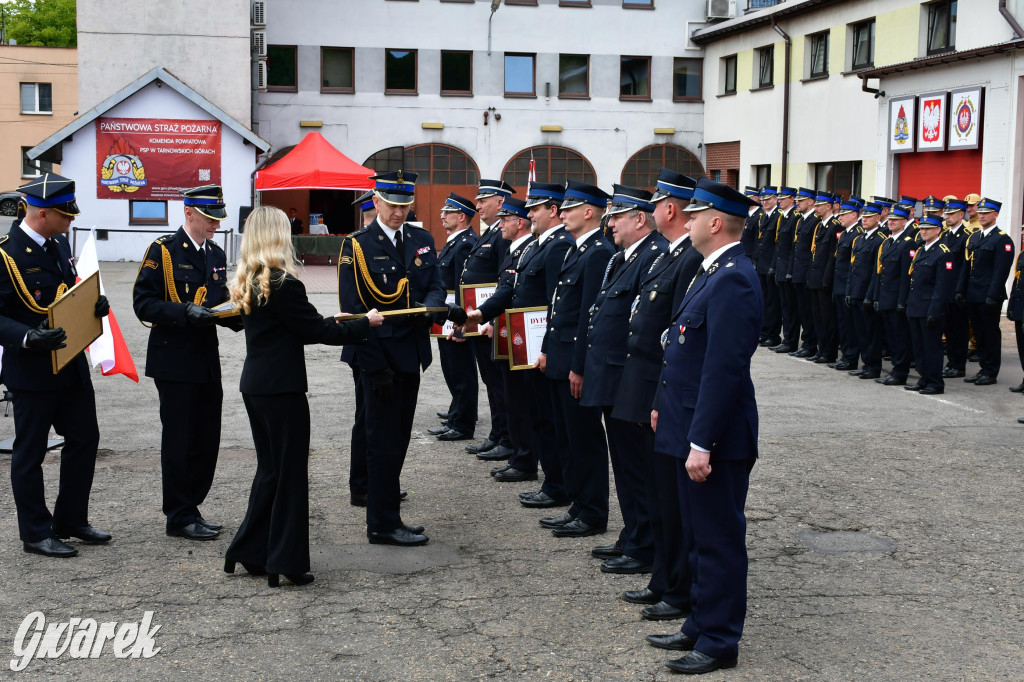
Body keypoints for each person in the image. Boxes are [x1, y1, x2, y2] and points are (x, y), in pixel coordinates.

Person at [223, 206, 382, 587]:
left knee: (271, 471)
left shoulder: (250, 279)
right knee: (289, 474)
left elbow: (297, 325)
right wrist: (364, 323)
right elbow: (314, 329)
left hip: (256, 386)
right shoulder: (281, 282)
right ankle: (286, 561)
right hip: (282, 390)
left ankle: (248, 550)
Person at [648, 177, 761, 675]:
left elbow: (723, 370)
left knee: (716, 540)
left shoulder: (734, 276)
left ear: (716, 223)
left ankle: (718, 641)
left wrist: (701, 441)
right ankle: (699, 621)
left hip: (713, 436)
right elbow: (681, 348)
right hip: (684, 423)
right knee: (695, 534)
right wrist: (662, 404)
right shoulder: (709, 270)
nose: (684, 219)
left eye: (693, 214)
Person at [337, 171, 463, 546]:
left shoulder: (421, 239)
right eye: (392, 205)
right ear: (375, 202)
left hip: (411, 352)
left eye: (405, 206)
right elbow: (354, 311)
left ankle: (387, 507)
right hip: (377, 358)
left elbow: (437, 285)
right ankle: (382, 523)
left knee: (399, 437)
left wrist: (434, 307)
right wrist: (375, 368)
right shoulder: (357, 245)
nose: (398, 212)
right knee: (380, 440)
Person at [0, 173, 111, 558]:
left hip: (70, 361)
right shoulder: (5, 253)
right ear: (43, 213)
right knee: (30, 453)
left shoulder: (58, 242)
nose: (71, 220)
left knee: (84, 439)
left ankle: (70, 519)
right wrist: (28, 337)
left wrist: (93, 306)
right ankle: (35, 532)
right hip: (31, 369)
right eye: (65, 214)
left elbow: (68, 291)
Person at [612, 169, 702, 623]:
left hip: (658, 387)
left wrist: (656, 399)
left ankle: (674, 583)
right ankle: (663, 579)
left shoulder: (687, 260)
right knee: (657, 489)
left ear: (669, 209)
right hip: (646, 381)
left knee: (667, 494)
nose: (649, 211)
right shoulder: (668, 255)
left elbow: (674, 335)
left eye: (655, 204)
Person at [133, 185, 239, 541]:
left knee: (207, 437)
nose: (214, 224)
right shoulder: (163, 251)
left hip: (206, 357)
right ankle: (178, 515)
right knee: (179, 439)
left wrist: (239, 314)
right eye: (209, 217)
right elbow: (143, 303)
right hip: (173, 358)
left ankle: (192, 506)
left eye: (217, 218)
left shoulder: (216, 253)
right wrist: (182, 311)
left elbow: (219, 300)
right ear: (189, 213)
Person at [581, 184, 667, 574]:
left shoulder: (653, 257)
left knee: (637, 468)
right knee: (625, 466)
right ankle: (632, 534)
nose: (609, 223)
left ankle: (644, 544)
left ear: (639, 219)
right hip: (611, 379)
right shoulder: (623, 258)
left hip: (628, 383)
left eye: (617, 216)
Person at [536, 180, 613, 539]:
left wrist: (578, 366)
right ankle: (578, 504)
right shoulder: (575, 249)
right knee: (568, 436)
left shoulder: (597, 251)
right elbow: (558, 308)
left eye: (569, 207)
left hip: (574, 361)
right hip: (561, 355)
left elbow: (587, 316)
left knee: (584, 439)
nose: (562, 212)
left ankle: (593, 511)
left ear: (589, 212)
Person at [465, 197, 536, 481]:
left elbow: (512, 294)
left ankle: (523, 457)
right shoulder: (514, 250)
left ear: (519, 223)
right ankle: (518, 454)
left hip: (519, 333)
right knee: (510, 396)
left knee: (519, 399)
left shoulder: (526, 248)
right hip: (506, 329)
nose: (500, 224)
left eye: (505, 220)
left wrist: (482, 315)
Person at [462, 179, 514, 461]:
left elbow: (503, 282)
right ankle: (497, 432)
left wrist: (492, 321)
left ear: (501, 202)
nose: (478, 205)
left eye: (484, 200)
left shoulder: (502, 237)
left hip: (491, 321)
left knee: (498, 381)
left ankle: (505, 435)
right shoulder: (490, 233)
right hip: (481, 319)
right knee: (490, 380)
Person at [429, 193, 479, 442]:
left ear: (461, 217)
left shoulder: (466, 243)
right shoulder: (454, 241)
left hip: (456, 315)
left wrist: (462, 324)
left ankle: (463, 422)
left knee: (461, 370)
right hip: (447, 313)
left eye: (447, 212)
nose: (442, 216)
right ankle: (456, 412)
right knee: (450, 368)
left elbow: (464, 287)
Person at [343, 189, 380, 507]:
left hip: (376, 345)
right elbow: (351, 304)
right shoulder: (356, 244)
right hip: (365, 344)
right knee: (368, 418)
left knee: (377, 418)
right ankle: (362, 485)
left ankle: (375, 481)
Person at [958, 198, 1014, 386]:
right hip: (973, 294)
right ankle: (983, 368)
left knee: (990, 333)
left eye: (986, 213)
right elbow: (967, 266)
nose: (981, 216)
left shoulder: (1002, 239)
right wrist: (961, 290)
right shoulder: (974, 237)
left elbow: (1001, 271)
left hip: (989, 296)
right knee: (979, 334)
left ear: (995, 215)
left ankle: (991, 371)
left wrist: (992, 295)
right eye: (980, 213)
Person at [905, 216, 956, 395]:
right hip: (916, 307)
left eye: (928, 228)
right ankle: (924, 378)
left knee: (932, 348)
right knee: (919, 348)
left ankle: (935, 382)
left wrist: (935, 311)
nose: (924, 231)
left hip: (930, 309)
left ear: (938, 230)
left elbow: (942, 287)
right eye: (922, 228)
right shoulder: (920, 250)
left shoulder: (943, 253)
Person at [872, 205, 915, 386]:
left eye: (895, 220)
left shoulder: (908, 243)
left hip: (897, 299)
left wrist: (902, 301)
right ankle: (896, 371)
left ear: (905, 222)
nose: (891, 222)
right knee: (891, 337)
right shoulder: (888, 242)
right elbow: (880, 273)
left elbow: (907, 276)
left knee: (900, 338)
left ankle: (900, 372)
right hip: (885, 298)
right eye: (890, 219)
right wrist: (876, 296)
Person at [847, 203, 885, 380]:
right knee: (860, 332)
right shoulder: (859, 239)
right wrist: (849, 291)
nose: (865, 220)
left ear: (878, 218)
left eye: (869, 217)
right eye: (864, 217)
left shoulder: (880, 239)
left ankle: (873, 366)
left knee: (872, 333)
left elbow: (875, 272)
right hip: (856, 291)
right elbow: (852, 268)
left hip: (866, 294)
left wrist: (870, 295)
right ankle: (866, 364)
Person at [771, 187, 800, 354]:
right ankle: (787, 339)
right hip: (781, 269)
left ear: (792, 199)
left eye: (783, 198)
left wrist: (789, 270)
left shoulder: (794, 217)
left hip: (789, 269)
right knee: (785, 308)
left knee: (791, 308)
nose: (780, 201)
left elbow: (793, 248)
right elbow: (779, 246)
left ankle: (791, 341)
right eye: (780, 198)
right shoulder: (783, 217)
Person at [753, 187, 781, 347]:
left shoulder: (778, 216)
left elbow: (778, 244)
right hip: (761, 264)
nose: (765, 202)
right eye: (763, 199)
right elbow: (760, 241)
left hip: (771, 265)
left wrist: (773, 266)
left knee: (772, 303)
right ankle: (764, 332)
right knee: (763, 301)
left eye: (768, 199)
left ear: (775, 199)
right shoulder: (763, 217)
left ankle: (773, 334)